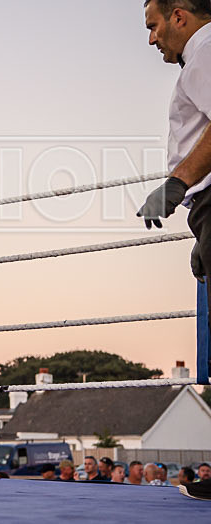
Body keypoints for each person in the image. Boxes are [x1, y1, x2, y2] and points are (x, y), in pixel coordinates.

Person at [138, 1, 211, 314]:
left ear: (179, 16)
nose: (152, 40)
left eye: (153, 26)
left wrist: (178, 182)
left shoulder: (205, 51)